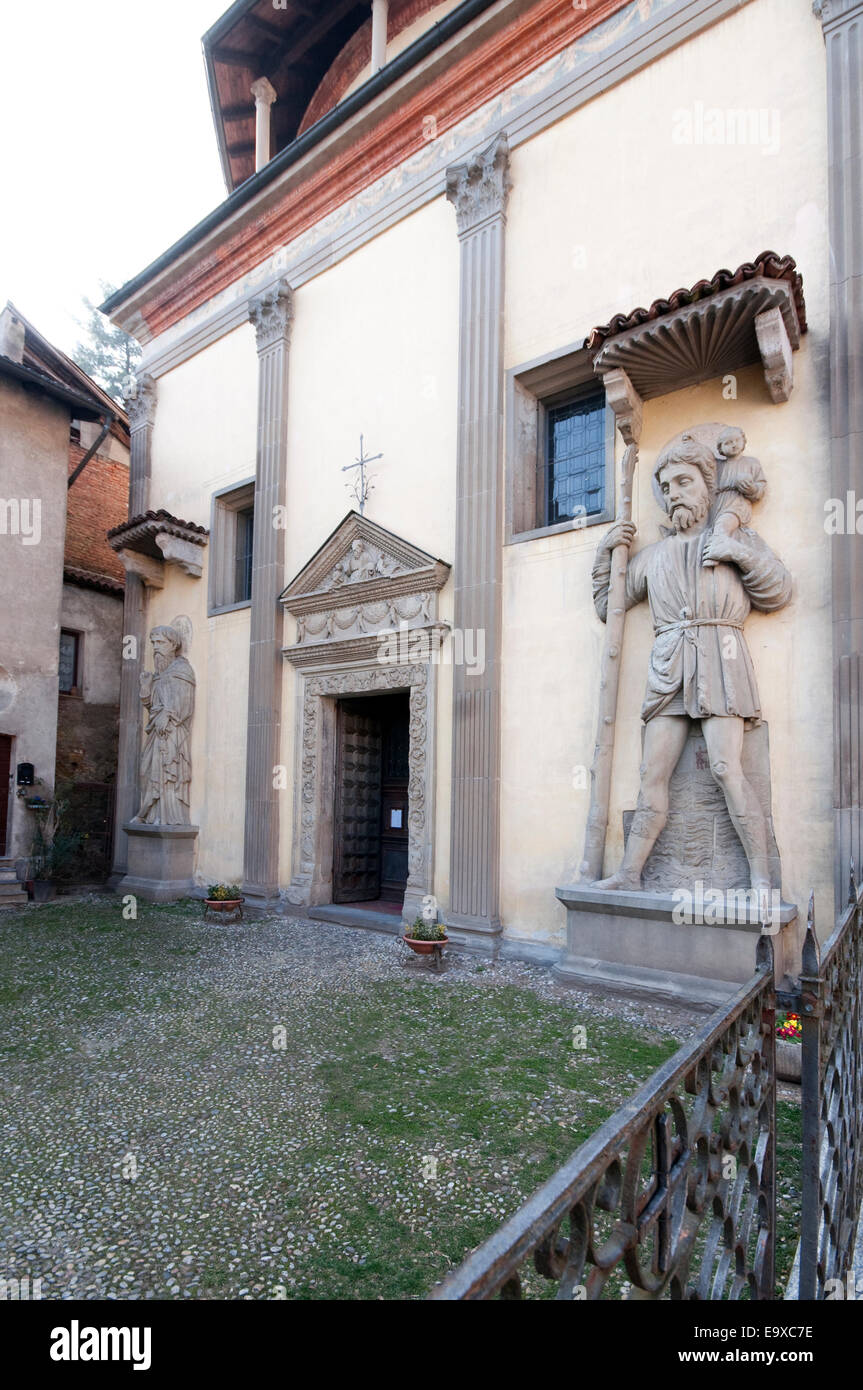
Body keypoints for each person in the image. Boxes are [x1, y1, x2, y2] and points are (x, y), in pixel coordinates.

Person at [590, 432, 792, 897]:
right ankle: (630, 873)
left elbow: (779, 590)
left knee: (726, 767)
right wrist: (607, 553)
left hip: (722, 659)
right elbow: (610, 607)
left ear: (707, 486)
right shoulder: (652, 557)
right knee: (652, 774)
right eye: (665, 486)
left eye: (683, 481)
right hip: (669, 665)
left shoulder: (733, 536)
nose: (673, 493)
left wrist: (735, 552)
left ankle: (761, 879)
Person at [133, 625, 195, 826]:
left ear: (173, 644)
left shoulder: (182, 670)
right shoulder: (160, 674)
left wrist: (167, 715)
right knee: (146, 771)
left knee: (167, 773)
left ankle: (168, 817)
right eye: (153, 643)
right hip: (156, 732)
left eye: (160, 642)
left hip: (173, 733)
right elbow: (151, 706)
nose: (155, 647)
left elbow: (185, 703)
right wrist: (146, 686)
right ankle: (150, 814)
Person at [702, 426, 767, 568]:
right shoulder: (717, 465)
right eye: (728, 443)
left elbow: (760, 488)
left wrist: (751, 488)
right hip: (718, 503)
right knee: (712, 527)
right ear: (720, 448)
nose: (733, 445)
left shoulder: (751, 463)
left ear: (743, 441)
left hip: (738, 502)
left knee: (722, 525)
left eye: (736, 440)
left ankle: (714, 554)